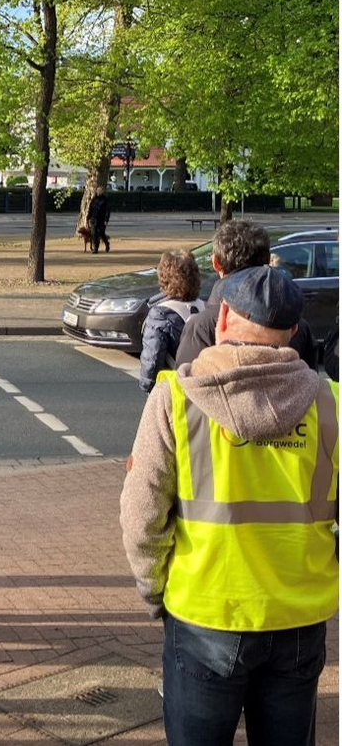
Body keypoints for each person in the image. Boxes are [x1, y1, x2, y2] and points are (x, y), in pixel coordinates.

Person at [120, 265, 338, 745]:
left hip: (204, 614)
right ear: (294, 333)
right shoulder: (330, 406)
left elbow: (141, 517)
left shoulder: (174, 397)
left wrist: (156, 592)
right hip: (299, 616)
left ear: (221, 321)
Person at [174, 220, 315, 368]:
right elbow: (309, 380)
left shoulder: (201, 326)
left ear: (215, 262)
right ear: (267, 260)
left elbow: (184, 384)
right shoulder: (295, 324)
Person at [137, 250, 204, 393]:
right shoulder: (206, 308)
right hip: (204, 388)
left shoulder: (160, 315)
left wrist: (147, 387)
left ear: (164, 278)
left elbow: (152, 361)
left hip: (175, 391)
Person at [88, 186, 111, 253]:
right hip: (93, 219)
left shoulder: (105, 200)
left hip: (101, 220)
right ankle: (95, 248)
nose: (99, 192)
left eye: (100, 190)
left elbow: (107, 211)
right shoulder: (93, 199)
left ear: (102, 191)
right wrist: (88, 218)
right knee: (94, 233)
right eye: (98, 190)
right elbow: (90, 209)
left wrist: (106, 220)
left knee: (101, 234)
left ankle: (107, 243)